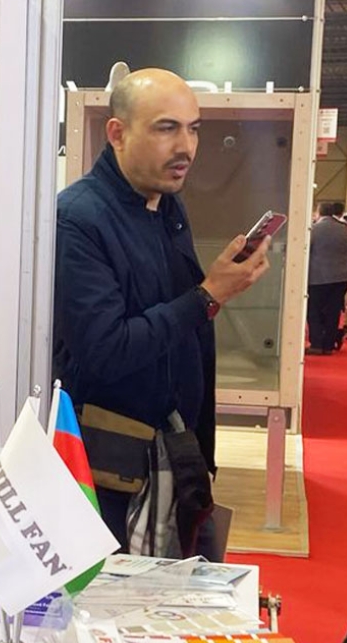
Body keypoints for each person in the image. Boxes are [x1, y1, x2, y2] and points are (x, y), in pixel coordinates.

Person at [54, 67, 269, 548]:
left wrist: (211, 292)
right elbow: (106, 350)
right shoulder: (78, 219)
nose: (185, 147)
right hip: (111, 474)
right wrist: (207, 295)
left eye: (193, 129)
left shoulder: (167, 206)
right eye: (166, 128)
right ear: (117, 133)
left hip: (176, 456)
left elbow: (176, 323)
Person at [306, 200, 347, 355]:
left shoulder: (314, 229)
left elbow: (307, 250)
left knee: (314, 310)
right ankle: (328, 345)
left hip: (318, 276)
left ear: (318, 212)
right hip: (342, 277)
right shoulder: (344, 229)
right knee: (333, 311)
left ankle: (316, 344)